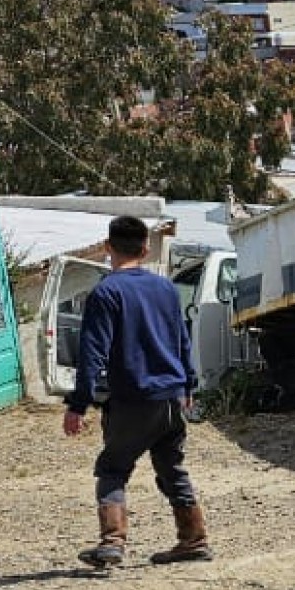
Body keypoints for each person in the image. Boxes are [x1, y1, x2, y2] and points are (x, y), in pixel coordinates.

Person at [61, 215, 211, 568]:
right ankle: (194, 539)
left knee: (112, 468)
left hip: (132, 398)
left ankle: (112, 543)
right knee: (171, 467)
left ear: (108, 247)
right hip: (172, 397)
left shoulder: (106, 292)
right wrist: (188, 384)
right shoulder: (166, 289)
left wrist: (78, 404)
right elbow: (181, 341)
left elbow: (92, 354)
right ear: (146, 248)